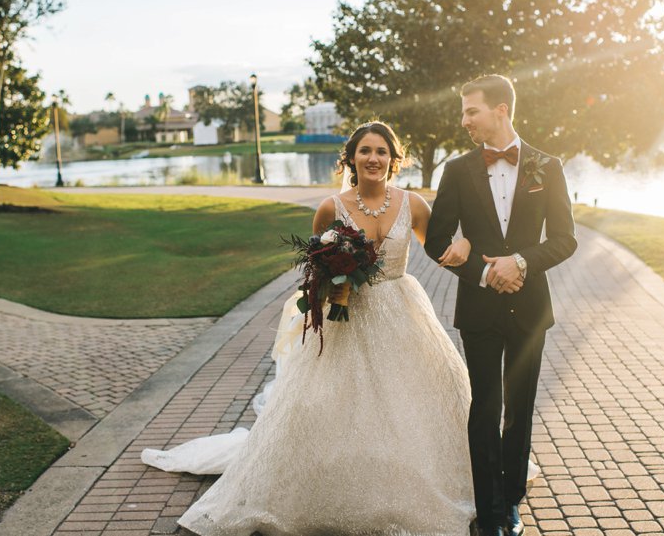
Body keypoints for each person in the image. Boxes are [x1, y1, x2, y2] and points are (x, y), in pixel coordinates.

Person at [144, 121, 478, 535]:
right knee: (331, 401)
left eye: (382, 152)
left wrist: (465, 246)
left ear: (394, 159)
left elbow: (441, 251)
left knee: (419, 393)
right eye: (365, 151)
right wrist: (336, 281)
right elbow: (316, 273)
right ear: (351, 159)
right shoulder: (330, 208)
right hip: (346, 317)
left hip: (401, 309)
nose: (374, 158)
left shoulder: (414, 204)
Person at [425, 75, 577, 536]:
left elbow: (566, 239)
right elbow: (435, 241)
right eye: (464, 112)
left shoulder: (546, 167)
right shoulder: (456, 170)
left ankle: (511, 500)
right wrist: (486, 272)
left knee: (521, 408)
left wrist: (522, 263)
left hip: (531, 309)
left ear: (501, 110)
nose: (464, 120)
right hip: (481, 308)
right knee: (485, 408)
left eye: (472, 110)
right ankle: (489, 510)